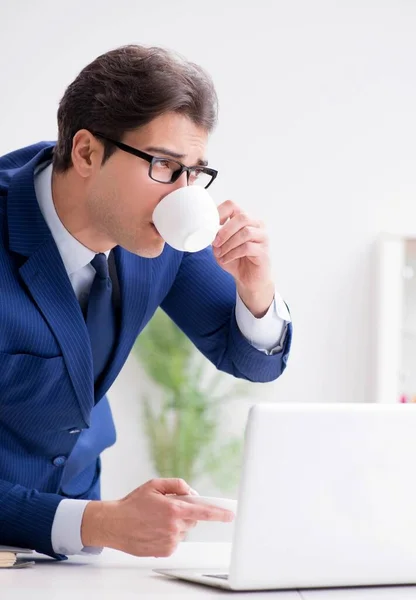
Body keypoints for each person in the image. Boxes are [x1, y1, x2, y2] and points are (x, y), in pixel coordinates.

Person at [0, 44, 292, 560]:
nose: (184, 196)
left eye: (195, 171)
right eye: (164, 165)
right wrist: (100, 523)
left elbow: (250, 360)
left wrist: (257, 290)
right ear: (87, 152)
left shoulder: (155, 234)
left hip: (72, 547)